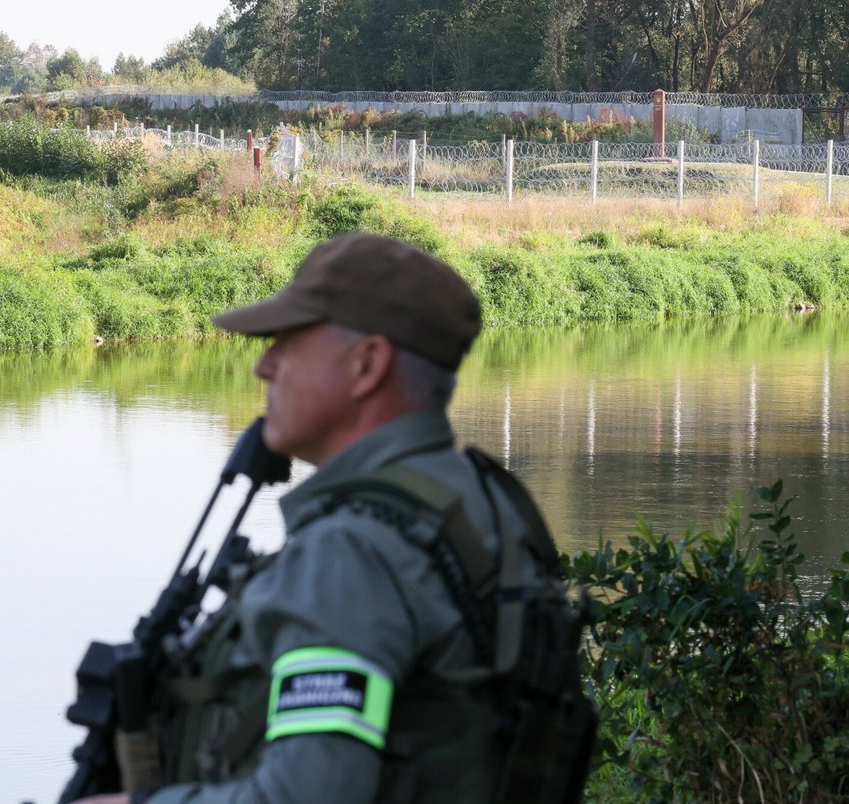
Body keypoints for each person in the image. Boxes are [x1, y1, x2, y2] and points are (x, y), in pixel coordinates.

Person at [76, 232, 578, 804]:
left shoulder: (351, 549)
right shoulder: (477, 502)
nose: (264, 367)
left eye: (288, 344)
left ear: (366, 365)